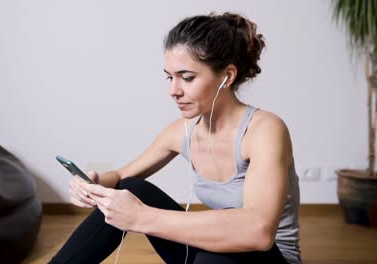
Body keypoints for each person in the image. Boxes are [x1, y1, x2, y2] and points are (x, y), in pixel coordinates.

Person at [50, 12, 301, 264]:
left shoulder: (264, 131)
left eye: (187, 77)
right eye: (170, 77)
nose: (173, 91)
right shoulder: (183, 130)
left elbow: (257, 232)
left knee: (214, 254)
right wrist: (92, 185)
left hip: (266, 257)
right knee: (131, 188)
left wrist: (141, 217)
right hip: (216, 253)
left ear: (227, 76)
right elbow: (120, 177)